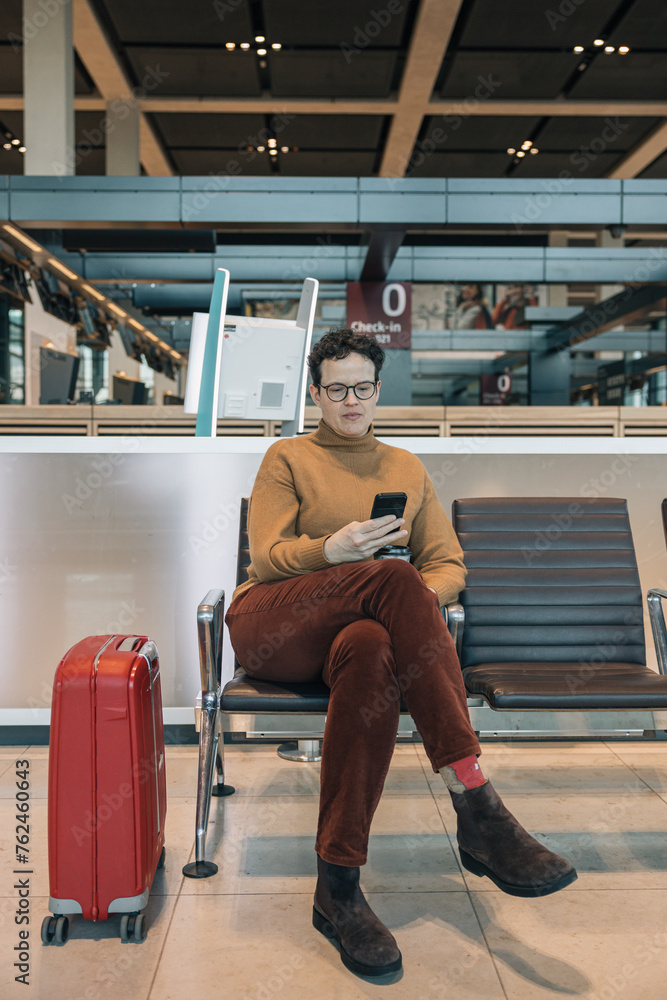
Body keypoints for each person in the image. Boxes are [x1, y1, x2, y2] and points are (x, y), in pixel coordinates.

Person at [224, 329, 576, 979]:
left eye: (361, 387)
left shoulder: (406, 467)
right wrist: (335, 549)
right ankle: (475, 800)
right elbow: (267, 557)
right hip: (273, 623)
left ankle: (337, 887)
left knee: (374, 644)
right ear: (316, 394)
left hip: (353, 632)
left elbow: (446, 564)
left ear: (378, 390)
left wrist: (416, 589)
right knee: (390, 576)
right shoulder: (287, 457)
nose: (350, 400)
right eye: (335, 388)